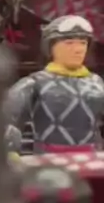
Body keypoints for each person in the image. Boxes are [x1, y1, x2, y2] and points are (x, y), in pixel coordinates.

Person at [6, 15, 104, 153]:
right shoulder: (34, 84)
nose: (78, 49)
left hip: (92, 158)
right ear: (50, 47)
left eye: (83, 43)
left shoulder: (97, 84)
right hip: (48, 158)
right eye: (69, 43)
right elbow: (5, 122)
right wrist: (8, 154)